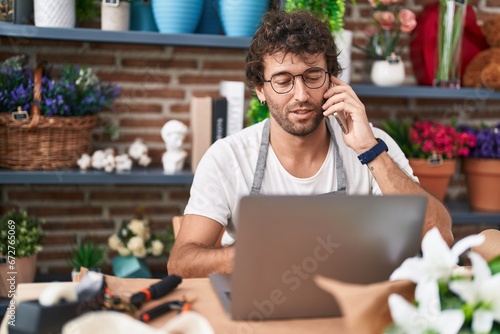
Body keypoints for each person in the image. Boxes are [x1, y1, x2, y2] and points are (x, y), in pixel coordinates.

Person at [168, 10, 453, 278]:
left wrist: (370, 150)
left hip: (356, 304)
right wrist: (245, 256)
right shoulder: (227, 157)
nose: (301, 94)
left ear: (332, 80)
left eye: (313, 76)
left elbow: (440, 236)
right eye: (283, 81)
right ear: (261, 91)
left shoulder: (375, 146)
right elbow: (180, 264)